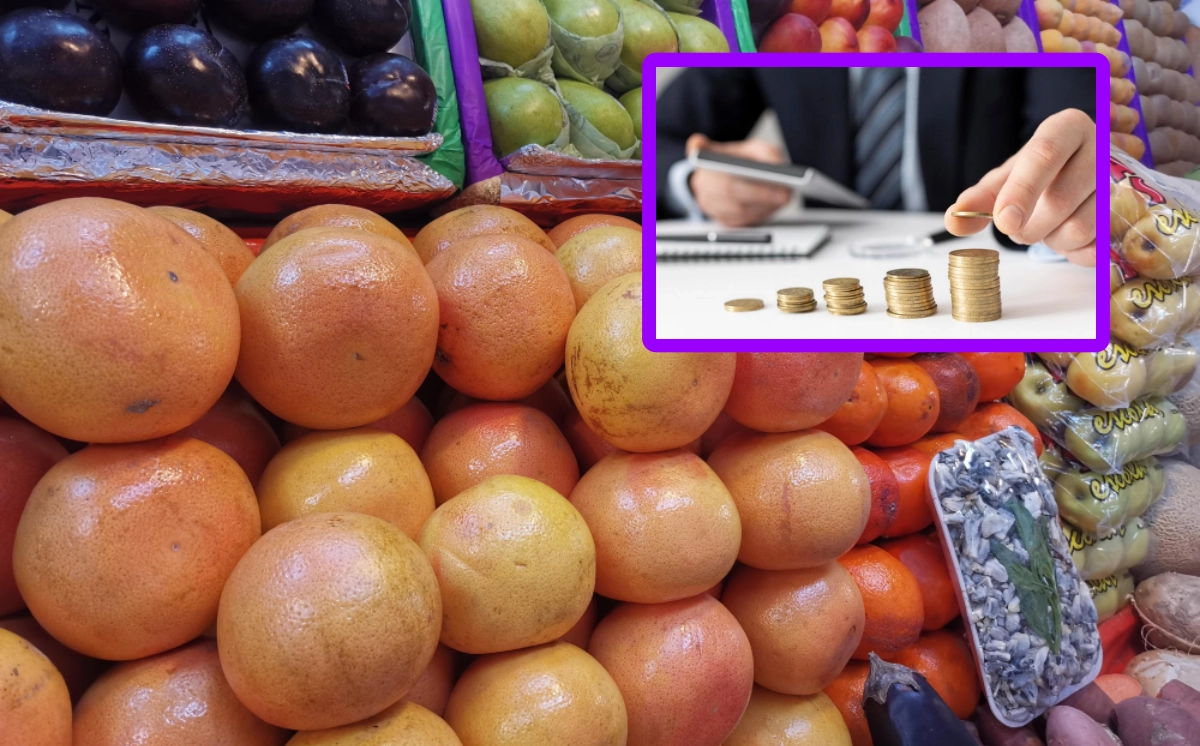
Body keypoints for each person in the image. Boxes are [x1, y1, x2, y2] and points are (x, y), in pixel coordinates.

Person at [656, 67, 1098, 266]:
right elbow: (657, 139)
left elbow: (1075, 134)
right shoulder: (774, 19)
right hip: (827, 266)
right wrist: (694, 179)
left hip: (998, 263)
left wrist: (1070, 192)